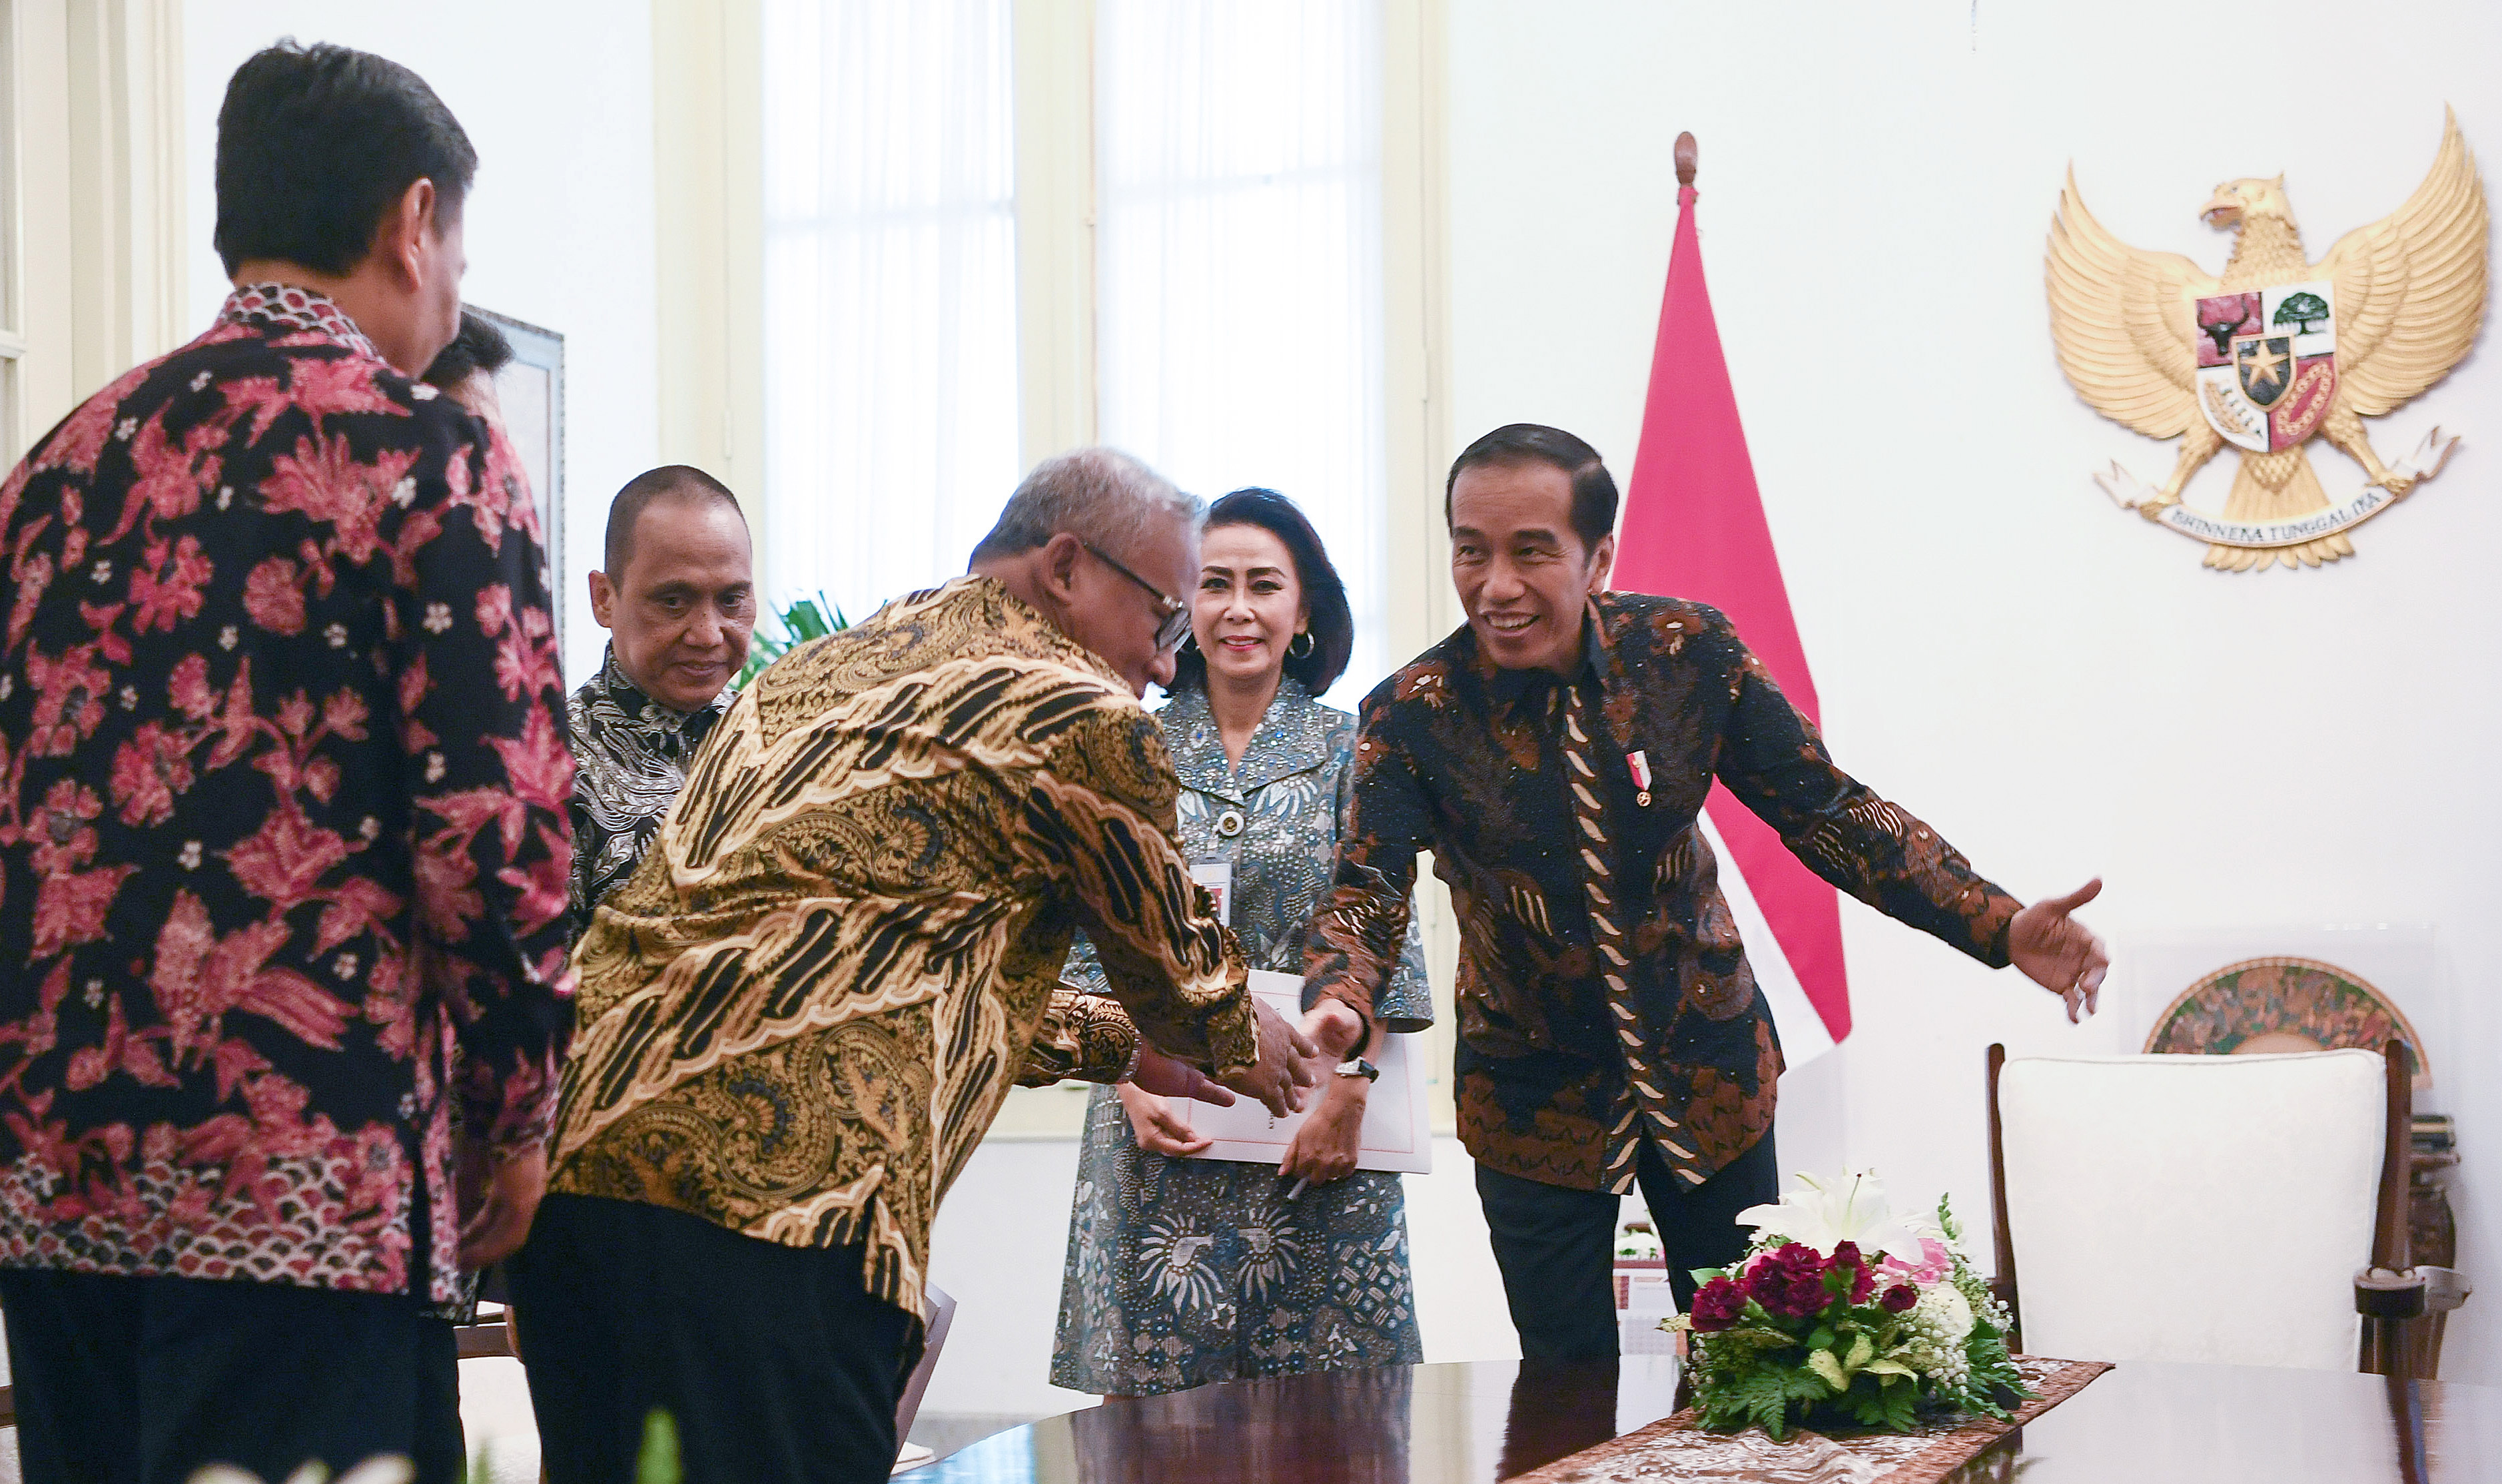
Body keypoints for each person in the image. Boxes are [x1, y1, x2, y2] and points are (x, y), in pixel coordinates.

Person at [510, 448, 1318, 1484]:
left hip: (586, 1183)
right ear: (1069, 566)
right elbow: (1190, 988)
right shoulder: (1076, 709)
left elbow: (877, 969)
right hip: (775, 1214)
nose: (1169, 665)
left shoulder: (827, 669)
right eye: (1164, 620)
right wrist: (1243, 1038)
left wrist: (1126, 1045)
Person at [0, 41, 572, 1484]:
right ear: (415, 220)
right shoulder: (428, 450)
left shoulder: (56, 468)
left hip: (55, 1186)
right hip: (306, 1187)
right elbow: (492, 831)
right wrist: (517, 1116)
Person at [1304, 424, 2109, 1359]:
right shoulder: (1413, 712)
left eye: (1533, 552)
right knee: (1565, 1388)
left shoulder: (1689, 654)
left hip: (1708, 1078)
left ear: (1598, 555)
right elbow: (1366, 890)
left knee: (1748, 1367)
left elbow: (1830, 813)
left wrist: (2000, 924)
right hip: (1529, 1097)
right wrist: (1340, 995)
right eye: (1470, 551)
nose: (1496, 585)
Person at [1053, 489, 1433, 1396]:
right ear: (1180, 605)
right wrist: (1125, 1083)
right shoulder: (1122, 746)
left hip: (1321, 1146)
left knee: (1339, 1436)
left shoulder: (1359, 752)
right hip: (1160, 1140)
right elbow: (1076, 948)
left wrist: (1351, 1092)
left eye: (1264, 585)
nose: (1238, 609)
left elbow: (1387, 934)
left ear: (1303, 611)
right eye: (1213, 584)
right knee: (1149, 1444)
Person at [568, 466, 756, 942]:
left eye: (732, 600)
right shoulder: (555, 767)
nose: (708, 634)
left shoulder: (781, 740)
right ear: (604, 598)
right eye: (673, 601)